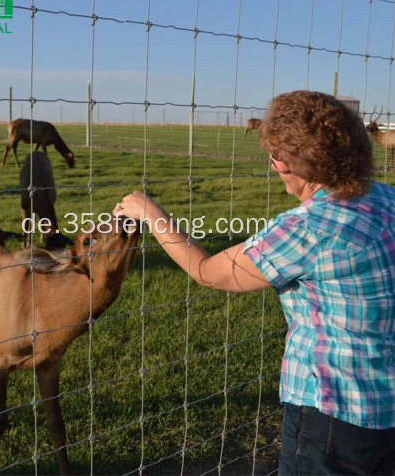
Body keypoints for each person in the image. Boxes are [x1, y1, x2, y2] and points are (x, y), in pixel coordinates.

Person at [113, 90, 395, 475]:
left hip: (331, 415)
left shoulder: (305, 229)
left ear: (293, 163)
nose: (273, 164)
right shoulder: (386, 199)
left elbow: (208, 273)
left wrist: (150, 213)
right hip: (385, 407)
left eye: (276, 156)